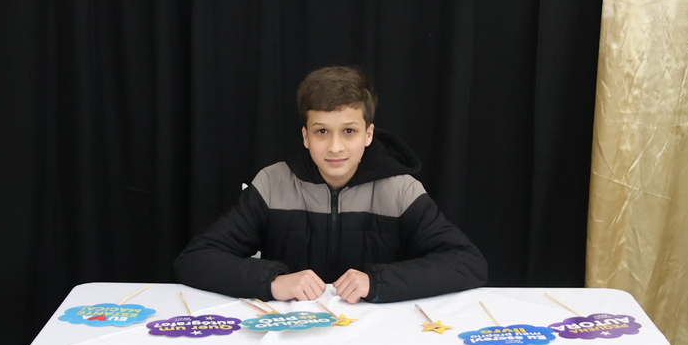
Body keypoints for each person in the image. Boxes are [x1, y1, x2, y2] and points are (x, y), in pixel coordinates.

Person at [174, 66, 489, 303]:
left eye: (349, 131)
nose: (335, 147)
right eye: (322, 131)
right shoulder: (272, 183)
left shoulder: (400, 190)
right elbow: (196, 259)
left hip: (376, 338)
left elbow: (468, 263)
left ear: (368, 134)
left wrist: (378, 282)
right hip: (292, 334)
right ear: (305, 136)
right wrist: (272, 282)